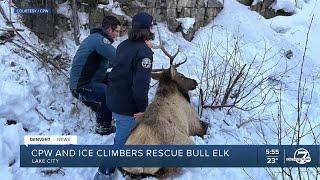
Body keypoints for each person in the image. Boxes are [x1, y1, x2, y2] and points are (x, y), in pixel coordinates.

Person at [93, 12, 155, 180]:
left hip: (114, 98)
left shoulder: (124, 45)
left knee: (125, 135)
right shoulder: (144, 53)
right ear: (146, 29)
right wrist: (143, 109)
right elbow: (140, 86)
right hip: (127, 105)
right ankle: (103, 173)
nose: (152, 29)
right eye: (151, 26)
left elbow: (119, 71)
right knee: (120, 141)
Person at [69, 15, 121, 135]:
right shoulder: (100, 41)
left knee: (116, 77)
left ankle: (112, 108)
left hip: (93, 79)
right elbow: (119, 58)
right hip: (81, 85)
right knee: (108, 93)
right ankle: (103, 126)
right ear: (109, 30)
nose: (118, 34)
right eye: (117, 31)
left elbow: (106, 64)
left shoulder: (97, 39)